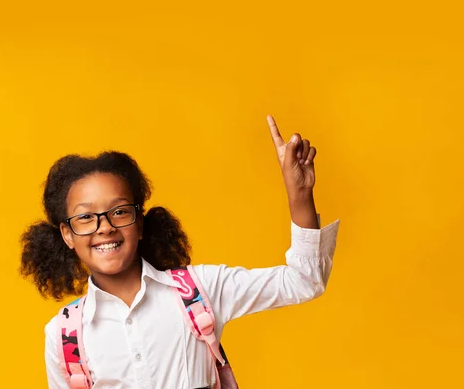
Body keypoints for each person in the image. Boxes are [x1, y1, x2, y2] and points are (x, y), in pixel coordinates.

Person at [20, 115, 340, 389]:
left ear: (140, 223)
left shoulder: (200, 291)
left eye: (119, 212)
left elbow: (304, 280)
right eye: (86, 217)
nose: (104, 227)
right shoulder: (63, 335)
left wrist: (299, 195)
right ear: (67, 234)